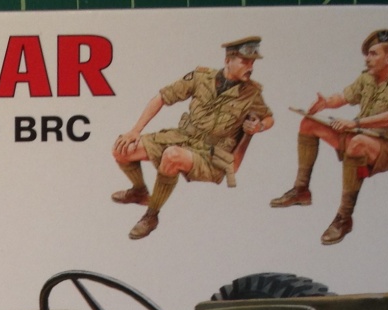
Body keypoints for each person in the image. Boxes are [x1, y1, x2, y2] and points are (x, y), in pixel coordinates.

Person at [111, 37, 274, 240]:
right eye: (245, 62)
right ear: (228, 60)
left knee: (172, 156)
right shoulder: (201, 77)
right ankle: (139, 191)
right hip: (183, 137)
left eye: (252, 63)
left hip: (214, 155)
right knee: (121, 149)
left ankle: (151, 215)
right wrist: (135, 130)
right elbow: (162, 97)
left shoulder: (251, 93)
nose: (250, 67)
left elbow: (268, 118)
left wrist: (260, 126)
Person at [270, 29, 388, 245]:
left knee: (357, 144)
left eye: (373, 54)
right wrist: (326, 103)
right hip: (361, 135)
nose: (367, 59)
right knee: (308, 124)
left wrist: (356, 124)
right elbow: (344, 96)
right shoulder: (367, 78)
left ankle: (344, 217)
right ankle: (301, 190)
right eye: (367, 54)